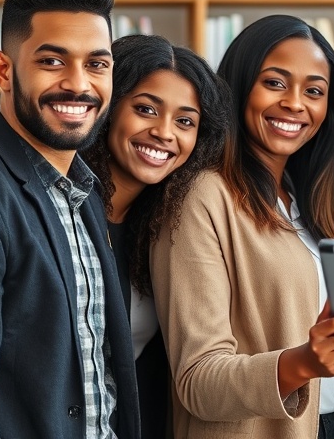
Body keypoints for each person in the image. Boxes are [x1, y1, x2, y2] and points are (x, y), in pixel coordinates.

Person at [151, 15, 334, 439]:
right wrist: (307, 362)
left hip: (332, 426)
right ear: (239, 85)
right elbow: (197, 380)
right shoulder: (203, 195)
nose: (296, 103)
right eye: (275, 82)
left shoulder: (312, 203)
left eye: (314, 91)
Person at [0, 0, 139, 438]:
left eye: (97, 64)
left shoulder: (84, 189)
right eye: (53, 61)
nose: (79, 85)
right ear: (4, 70)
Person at [81, 34, 230, 437]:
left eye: (185, 121)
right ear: (108, 107)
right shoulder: (60, 212)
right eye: (146, 109)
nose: (165, 133)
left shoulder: (167, 228)